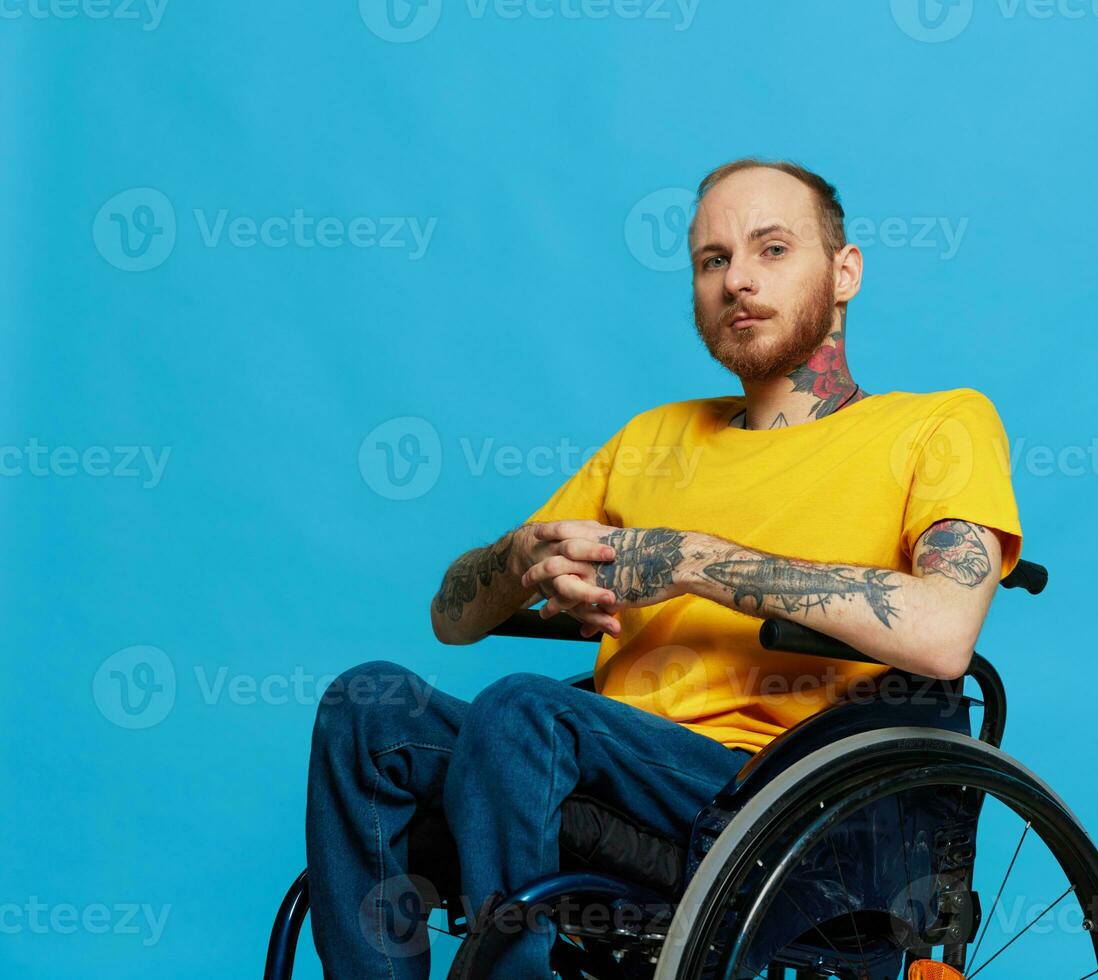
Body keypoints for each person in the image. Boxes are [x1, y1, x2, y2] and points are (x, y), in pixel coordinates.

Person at [304, 157, 1024, 979]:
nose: (738, 281)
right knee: (367, 708)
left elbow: (942, 635)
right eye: (713, 260)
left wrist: (692, 562)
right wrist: (519, 559)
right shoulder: (652, 437)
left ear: (846, 270)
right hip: (596, 760)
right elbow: (451, 618)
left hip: (771, 788)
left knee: (522, 712)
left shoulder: (937, 426)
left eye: (773, 249)